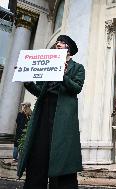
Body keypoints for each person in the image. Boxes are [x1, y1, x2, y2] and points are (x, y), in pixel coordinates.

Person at [17, 35, 85, 189]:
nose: (58, 44)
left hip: (63, 115)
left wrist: (62, 75)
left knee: (61, 153)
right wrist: (28, 82)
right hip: (44, 111)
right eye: (57, 42)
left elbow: (77, 88)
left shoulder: (78, 67)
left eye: (62, 42)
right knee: (39, 151)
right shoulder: (48, 63)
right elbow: (40, 91)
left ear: (69, 49)